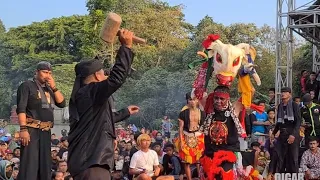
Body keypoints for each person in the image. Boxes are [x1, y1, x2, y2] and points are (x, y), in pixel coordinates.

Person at [67, 29, 140, 180]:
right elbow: (116, 79)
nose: (105, 75)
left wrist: (125, 112)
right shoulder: (89, 92)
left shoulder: (88, 95)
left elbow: (105, 118)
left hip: (91, 161)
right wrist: (126, 47)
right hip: (91, 161)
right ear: (96, 75)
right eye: (103, 72)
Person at [16, 61, 66, 180]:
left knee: (44, 166)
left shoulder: (49, 89)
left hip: (46, 131)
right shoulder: (27, 85)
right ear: (37, 72)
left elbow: (62, 103)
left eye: (49, 73)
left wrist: (54, 87)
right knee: (30, 165)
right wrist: (23, 129)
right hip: (31, 130)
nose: (47, 75)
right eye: (44, 72)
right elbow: (21, 108)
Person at [200, 86, 244, 180]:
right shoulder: (208, 108)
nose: (218, 101)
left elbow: (249, 94)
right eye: (216, 98)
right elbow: (198, 92)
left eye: (222, 99)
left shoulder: (234, 110)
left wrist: (245, 74)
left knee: (224, 176)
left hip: (227, 151)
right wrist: (205, 73)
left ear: (227, 99)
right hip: (210, 151)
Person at [271, 87, 301, 174]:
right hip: (282, 133)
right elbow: (279, 121)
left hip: (292, 133)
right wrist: (274, 132)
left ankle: (294, 177)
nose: (283, 94)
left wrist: (293, 135)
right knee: (280, 155)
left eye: (285, 92)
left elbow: (298, 121)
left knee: (293, 157)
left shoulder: (294, 105)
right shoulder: (280, 105)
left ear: (290, 94)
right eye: (282, 92)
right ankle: (279, 175)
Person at [178, 92, 205, 180]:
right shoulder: (183, 113)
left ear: (197, 100)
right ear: (187, 101)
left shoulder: (202, 113)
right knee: (186, 162)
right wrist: (181, 141)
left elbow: (204, 127)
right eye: (190, 100)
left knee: (200, 160)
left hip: (199, 137)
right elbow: (181, 128)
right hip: (186, 136)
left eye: (194, 99)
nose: (192, 102)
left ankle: (200, 177)